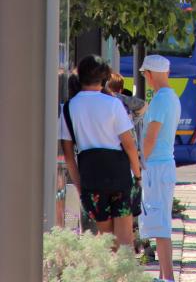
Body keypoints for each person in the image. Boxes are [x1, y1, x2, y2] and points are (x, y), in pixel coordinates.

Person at [59, 55, 142, 249]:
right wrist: (137, 175)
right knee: (124, 241)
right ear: (104, 78)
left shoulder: (69, 108)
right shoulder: (113, 104)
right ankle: (124, 277)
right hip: (118, 174)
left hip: (91, 176)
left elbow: (68, 155)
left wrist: (80, 186)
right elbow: (129, 145)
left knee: (104, 237)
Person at [139, 54, 181, 282]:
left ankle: (168, 278)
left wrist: (137, 164)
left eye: (145, 74)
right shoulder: (171, 97)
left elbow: (150, 138)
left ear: (150, 74)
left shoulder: (159, 101)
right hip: (163, 165)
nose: (145, 78)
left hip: (155, 166)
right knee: (160, 220)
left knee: (160, 223)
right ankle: (164, 276)